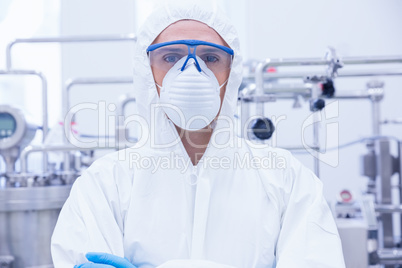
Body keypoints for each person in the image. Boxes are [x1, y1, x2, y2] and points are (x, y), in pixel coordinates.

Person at [51, 1, 346, 267]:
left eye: (210, 58)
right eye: (171, 57)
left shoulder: (286, 179)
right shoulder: (105, 185)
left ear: (232, 72)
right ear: (146, 69)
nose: (191, 71)